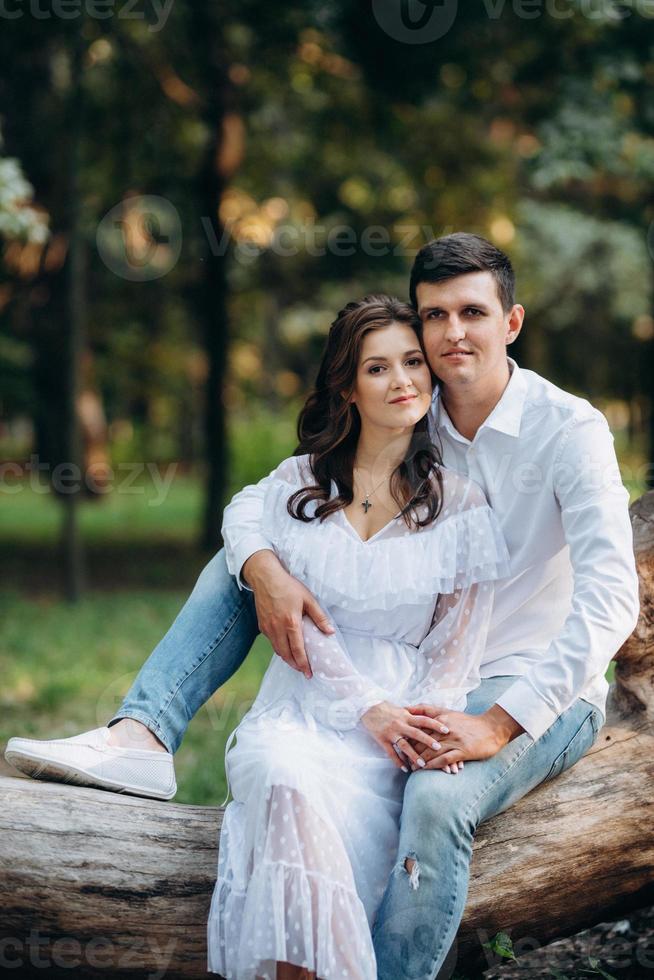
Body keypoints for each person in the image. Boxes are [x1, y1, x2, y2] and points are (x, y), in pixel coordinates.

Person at [5, 233, 640, 980]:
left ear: (512, 323)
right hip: (420, 667)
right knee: (244, 561)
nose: (451, 333)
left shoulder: (571, 430)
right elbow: (259, 501)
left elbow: (610, 598)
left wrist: (499, 722)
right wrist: (266, 567)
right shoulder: (419, 405)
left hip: (531, 682)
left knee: (435, 801)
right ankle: (144, 733)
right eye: (435, 315)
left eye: (472, 312)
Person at [206, 294, 509, 980]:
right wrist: (362, 706)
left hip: (398, 727)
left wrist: (419, 728)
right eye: (378, 368)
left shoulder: (460, 503)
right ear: (347, 385)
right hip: (302, 708)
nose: (403, 380)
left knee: (350, 836)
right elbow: (286, 605)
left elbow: (457, 645)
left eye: (412, 363)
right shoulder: (299, 484)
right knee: (286, 780)